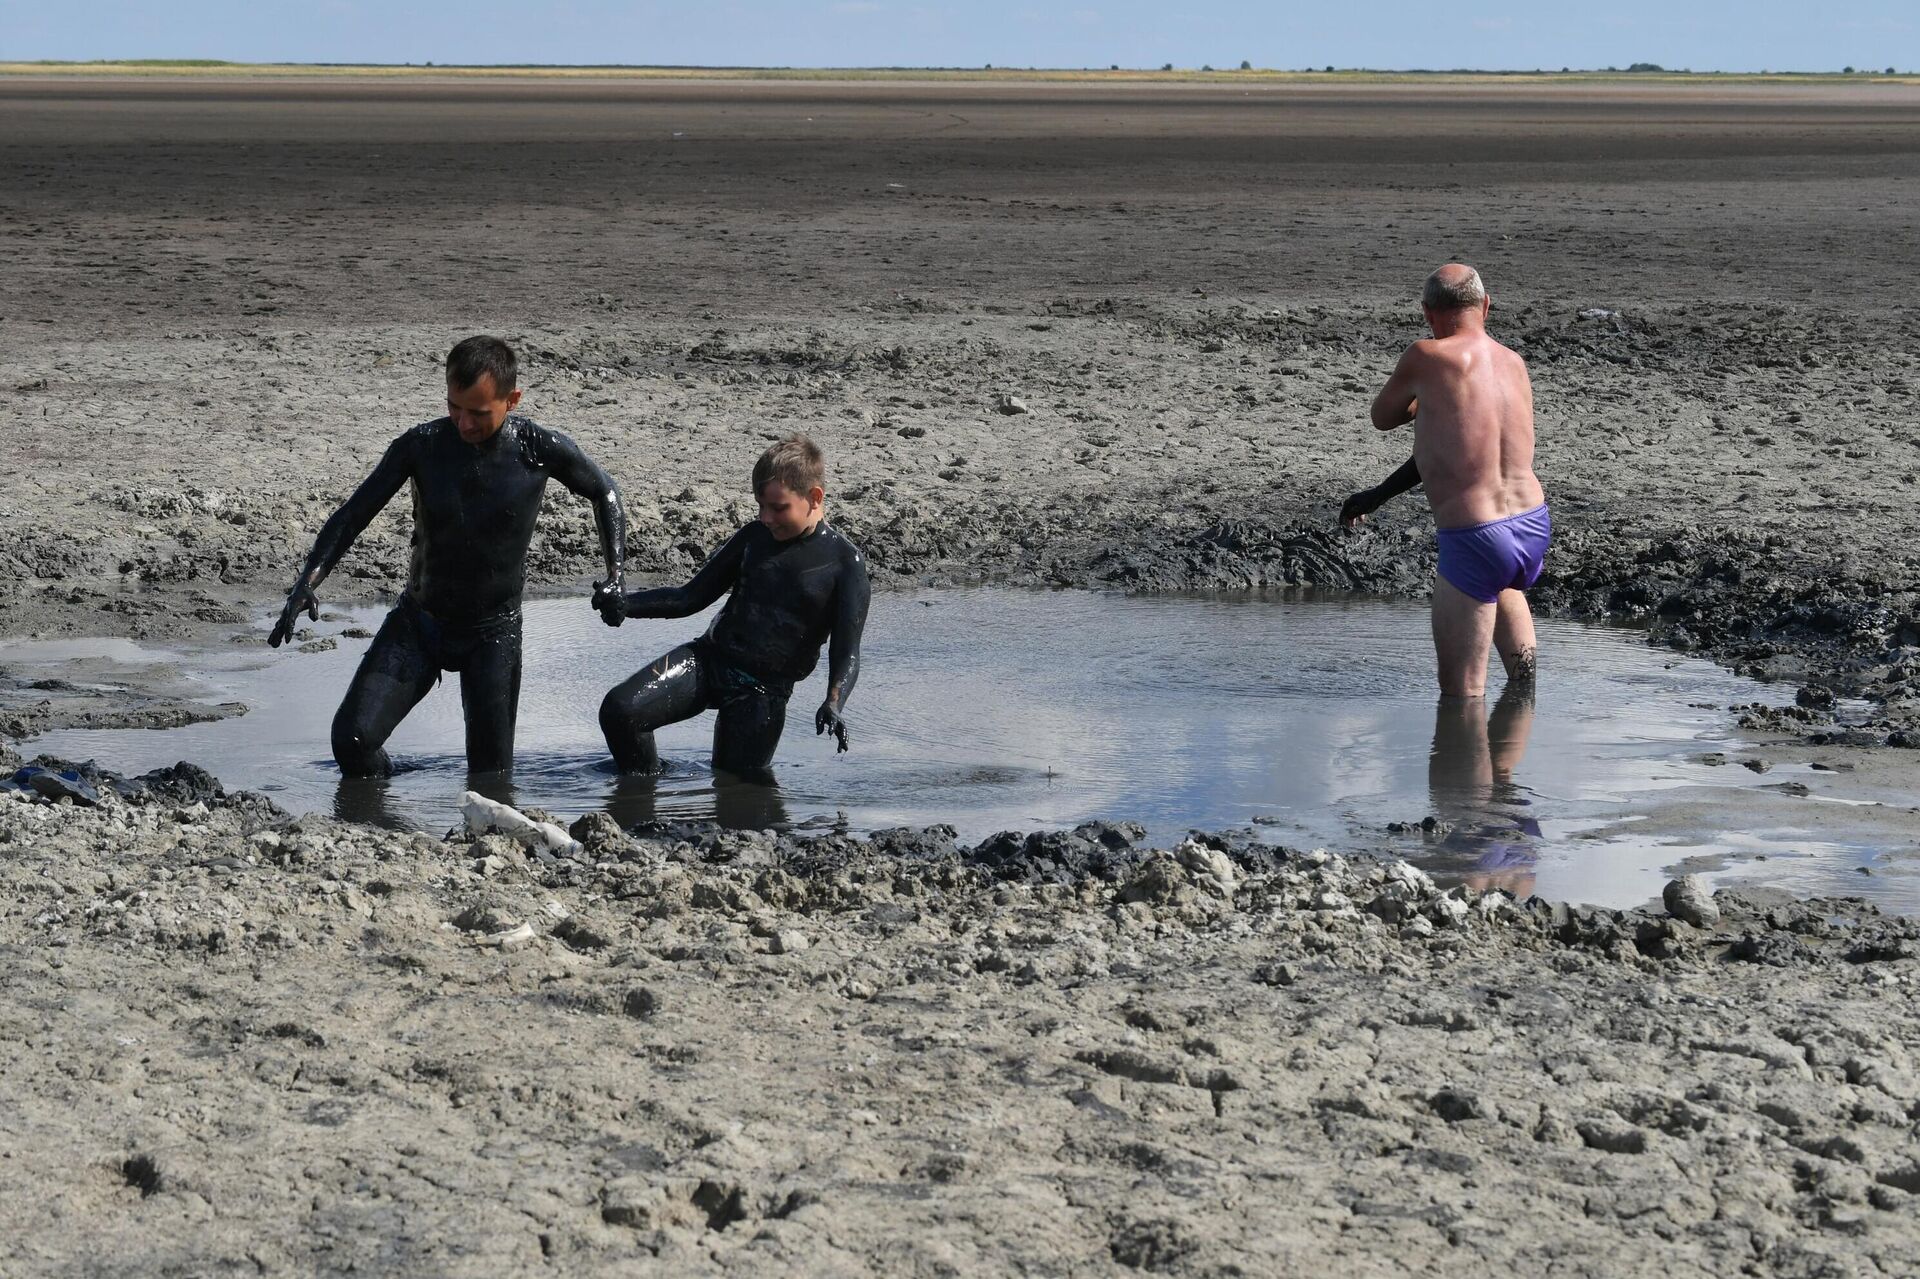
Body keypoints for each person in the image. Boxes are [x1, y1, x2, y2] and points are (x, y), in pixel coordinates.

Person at [269, 335, 627, 777]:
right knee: (353, 743)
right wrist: (308, 580)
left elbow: (604, 491)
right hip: (419, 623)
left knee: (490, 776)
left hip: (493, 632)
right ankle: (386, 807)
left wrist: (615, 573)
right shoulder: (421, 446)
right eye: (454, 407)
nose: (463, 423)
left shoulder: (539, 448)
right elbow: (352, 515)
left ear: (511, 399)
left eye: (478, 413)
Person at [598, 433, 869, 779]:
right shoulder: (754, 537)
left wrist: (834, 703)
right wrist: (625, 604)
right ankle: (640, 792)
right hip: (708, 660)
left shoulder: (847, 565)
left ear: (814, 498)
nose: (766, 517)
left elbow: (847, 652)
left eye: (778, 507)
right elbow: (689, 597)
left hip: (763, 692)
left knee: (737, 791)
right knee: (621, 711)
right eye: (760, 506)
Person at [1343, 264, 1549, 698]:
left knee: (1462, 697)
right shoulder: (1515, 363)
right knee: (1522, 685)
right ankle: (1510, 759)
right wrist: (1378, 496)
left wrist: (1428, 403)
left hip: (1476, 536)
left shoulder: (1426, 356)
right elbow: (1453, 452)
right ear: (1486, 306)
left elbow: (1382, 418)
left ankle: (1464, 760)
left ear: (1427, 313)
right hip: (1531, 523)